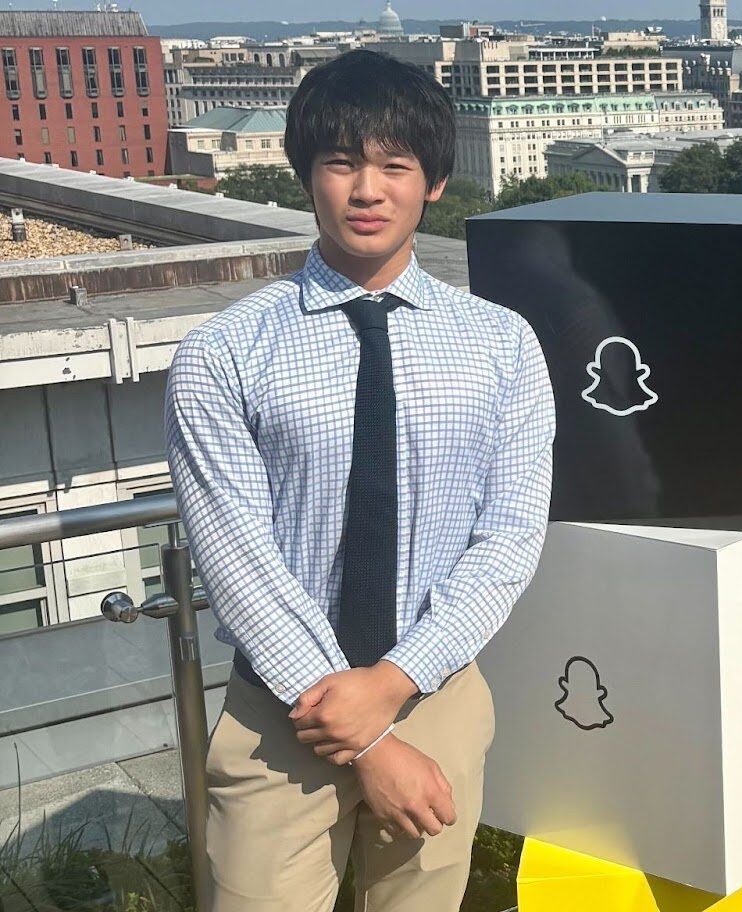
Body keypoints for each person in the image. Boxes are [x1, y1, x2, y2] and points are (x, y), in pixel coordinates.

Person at [164, 49, 554, 912]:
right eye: (341, 162)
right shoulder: (225, 354)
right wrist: (369, 736)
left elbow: (509, 537)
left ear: (436, 184)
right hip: (281, 710)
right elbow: (237, 560)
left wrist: (397, 681)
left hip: (437, 694)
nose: (366, 189)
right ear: (306, 175)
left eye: (393, 166)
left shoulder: (500, 345)